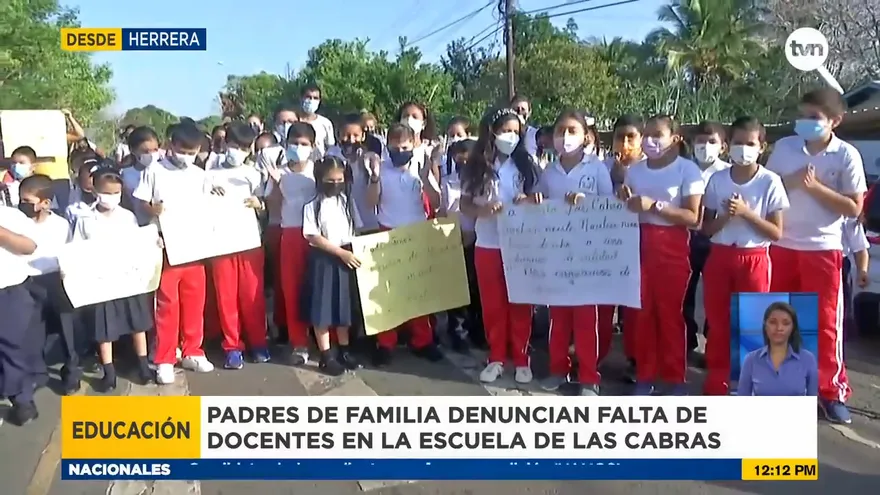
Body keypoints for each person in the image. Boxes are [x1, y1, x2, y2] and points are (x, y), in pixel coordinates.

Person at [765, 88, 865, 423]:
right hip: (781, 245)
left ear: (835, 121)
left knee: (824, 324)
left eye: (814, 118)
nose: (805, 122)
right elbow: (766, 188)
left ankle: (830, 391)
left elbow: (854, 207)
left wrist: (815, 187)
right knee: (777, 320)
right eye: (802, 115)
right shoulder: (785, 147)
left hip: (822, 249)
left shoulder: (846, 155)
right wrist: (791, 182)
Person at [701, 116, 788, 396]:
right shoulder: (718, 179)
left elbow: (776, 232)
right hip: (720, 256)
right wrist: (727, 216)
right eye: (738, 143)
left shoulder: (769, 181)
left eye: (750, 144)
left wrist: (747, 213)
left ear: (762, 147)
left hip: (754, 258)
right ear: (728, 146)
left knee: (751, 323)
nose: (743, 149)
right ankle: (718, 380)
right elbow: (706, 227)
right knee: (718, 322)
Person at [618, 114, 703, 396]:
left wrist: (655, 206)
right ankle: (645, 375)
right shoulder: (635, 171)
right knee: (641, 315)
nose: (650, 141)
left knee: (670, 316)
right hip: (638, 245)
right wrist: (624, 197)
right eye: (647, 135)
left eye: (658, 135)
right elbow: (628, 206)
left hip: (672, 248)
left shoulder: (687, 170)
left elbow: (694, 217)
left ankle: (675, 377)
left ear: (675, 139)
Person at [460, 108, 539, 384]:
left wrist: (528, 201)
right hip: (488, 244)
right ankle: (496, 357)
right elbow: (465, 204)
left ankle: (522, 358)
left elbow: (539, 199)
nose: (511, 136)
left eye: (516, 131)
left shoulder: (527, 165)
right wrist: (482, 211)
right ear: (492, 132)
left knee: (520, 303)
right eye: (506, 130)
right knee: (493, 305)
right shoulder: (477, 166)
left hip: (520, 245)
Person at [539, 110, 614, 396]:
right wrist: (531, 200)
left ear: (586, 137)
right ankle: (558, 369)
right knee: (558, 319)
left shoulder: (596, 169)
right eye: (561, 131)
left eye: (572, 131)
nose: (566, 137)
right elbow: (539, 204)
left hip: (588, 254)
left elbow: (610, 207)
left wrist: (587, 202)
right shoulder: (549, 171)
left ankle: (589, 377)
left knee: (585, 321)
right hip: (558, 254)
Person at [133, 123, 215, 385]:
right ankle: (165, 358)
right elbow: (141, 201)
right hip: (167, 246)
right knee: (167, 305)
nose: (187, 156)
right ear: (171, 144)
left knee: (195, 302)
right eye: (183, 151)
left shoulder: (200, 175)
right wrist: (152, 210)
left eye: (193, 152)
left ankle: (193, 350)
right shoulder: (154, 171)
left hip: (195, 247)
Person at [365, 123, 444, 366]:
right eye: (395, 147)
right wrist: (374, 177)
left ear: (413, 145)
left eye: (405, 147)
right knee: (386, 292)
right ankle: (385, 342)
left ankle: (422, 340)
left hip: (416, 233)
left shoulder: (420, 167)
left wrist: (426, 177)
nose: (400, 151)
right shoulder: (381, 169)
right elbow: (370, 202)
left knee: (418, 291)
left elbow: (436, 202)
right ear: (388, 146)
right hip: (388, 233)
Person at [70, 167, 154, 392]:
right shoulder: (85, 219)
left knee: (138, 324)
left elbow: (139, 243)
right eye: (107, 192)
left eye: (116, 193)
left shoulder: (127, 217)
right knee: (104, 329)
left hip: (127, 280)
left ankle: (143, 366)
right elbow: (76, 249)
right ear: (95, 190)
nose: (111, 197)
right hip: (101, 282)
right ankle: (109, 372)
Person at [205, 122, 270, 369]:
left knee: (252, 296)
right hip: (221, 245)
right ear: (225, 144)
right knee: (226, 298)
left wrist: (259, 204)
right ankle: (232, 346)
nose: (238, 151)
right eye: (235, 145)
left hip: (250, 243)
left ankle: (258, 342)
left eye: (244, 147)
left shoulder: (254, 174)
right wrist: (209, 193)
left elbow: (266, 207)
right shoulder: (209, 174)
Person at [18, 174, 82, 395]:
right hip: (28, 281)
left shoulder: (60, 224)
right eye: (21, 200)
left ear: (45, 203)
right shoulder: (19, 224)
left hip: (56, 280)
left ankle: (71, 373)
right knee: (33, 331)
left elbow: (70, 251)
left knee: (66, 329)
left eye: (28, 201)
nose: (23, 205)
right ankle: (37, 374)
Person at [300, 155, 363, 375]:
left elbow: (356, 229)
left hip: (347, 259)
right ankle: (326, 355)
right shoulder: (312, 206)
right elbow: (313, 236)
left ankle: (344, 350)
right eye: (330, 180)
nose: (336, 184)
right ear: (320, 179)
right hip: (324, 260)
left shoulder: (347, 202)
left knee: (343, 307)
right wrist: (340, 253)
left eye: (339, 180)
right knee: (323, 309)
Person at [265, 122, 319, 364]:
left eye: (304, 144)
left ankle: (324, 340)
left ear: (313, 146)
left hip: (317, 235)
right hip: (290, 234)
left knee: (319, 288)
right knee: (292, 289)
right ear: (286, 145)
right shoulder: (280, 173)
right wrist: (276, 182)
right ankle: (299, 343)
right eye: (294, 143)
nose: (299, 147)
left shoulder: (317, 170)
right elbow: (273, 207)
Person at [598, 115, 645, 378]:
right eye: (620, 137)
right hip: (604, 245)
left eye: (631, 137)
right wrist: (613, 179)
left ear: (641, 139)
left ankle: (636, 359)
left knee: (636, 307)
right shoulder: (601, 167)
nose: (625, 143)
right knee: (603, 305)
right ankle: (596, 355)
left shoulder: (649, 168)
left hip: (639, 246)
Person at [685, 121, 731, 358]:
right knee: (685, 292)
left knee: (715, 296)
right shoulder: (684, 169)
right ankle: (687, 339)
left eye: (712, 141)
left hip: (716, 240)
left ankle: (713, 344)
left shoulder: (728, 174)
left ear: (723, 146)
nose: (705, 146)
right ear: (692, 144)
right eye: (700, 141)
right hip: (687, 238)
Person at [440, 138, 483, 352]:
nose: (463, 164)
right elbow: (443, 210)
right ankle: (457, 332)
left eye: (468, 160)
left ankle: (477, 330)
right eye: (459, 160)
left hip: (478, 239)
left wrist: (472, 234)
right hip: (453, 239)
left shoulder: (482, 182)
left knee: (476, 289)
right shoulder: (448, 182)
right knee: (456, 289)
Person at [0, 204, 40, 425]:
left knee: (14, 349)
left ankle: (23, 402)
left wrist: (2, 234)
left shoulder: (10, 215)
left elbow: (29, 246)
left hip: (9, 292)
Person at [737, 302, 818, 396]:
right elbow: (742, 399)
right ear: (765, 325)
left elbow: (814, 399)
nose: (779, 328)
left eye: (786, 323)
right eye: (773, 322)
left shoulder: (808, 359)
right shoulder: (751, 360)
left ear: (793, 328)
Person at [257, 145, 288, 343]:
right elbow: (271, 204)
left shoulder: (293, 173)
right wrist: (275, 181)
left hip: (296, 229)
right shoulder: (269, 178)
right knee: (280, 282)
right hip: (276, 229)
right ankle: (282, 325)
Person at [335, 113, 380, 233]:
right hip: (343, 225)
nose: (351, 140)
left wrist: (374, 174)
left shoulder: (369, 159)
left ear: (363, 136)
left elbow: (374, 199)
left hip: (369, 223)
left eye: (356, 135)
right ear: (338, 135)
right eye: (346, 135)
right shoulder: (332, 157)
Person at [123, 126, 163, 226]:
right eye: (146, 151)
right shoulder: (125, 175)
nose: (152, 154)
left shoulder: (164, 172)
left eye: (155, 150)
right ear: (132, 150)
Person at [299, 84, 335, 158]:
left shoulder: (325, 123)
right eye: (308, 97)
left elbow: (330, 148)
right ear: (301, 98)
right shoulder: (293, 120)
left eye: (315, 98)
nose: (311, 100)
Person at [434, 116, 471, 183]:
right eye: (452, 135)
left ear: (468, 135)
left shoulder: (475, 161)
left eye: (459, 135)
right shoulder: (443, 161)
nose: (455, 139)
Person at [65, 160, 100, 224]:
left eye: (97, 187)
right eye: (88, 189)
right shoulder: (73, 210)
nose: (93, 192)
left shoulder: (114, 209)